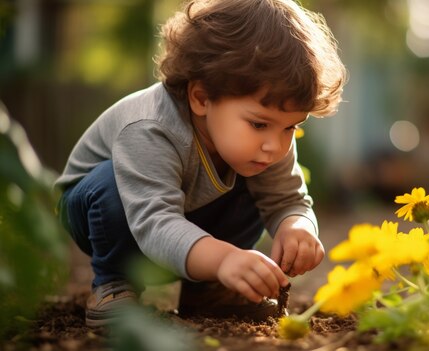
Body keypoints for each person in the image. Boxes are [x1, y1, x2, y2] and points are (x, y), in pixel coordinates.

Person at [55, 0, 346, 327]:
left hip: (184, 211)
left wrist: (297, 226)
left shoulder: (262, 144)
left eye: (291, 127)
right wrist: (224, 259)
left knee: (252, 173)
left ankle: (208, 290)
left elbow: (287, 199)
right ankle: (114, 283)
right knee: (113, 184)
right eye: (259, 124)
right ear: (201, 98)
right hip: (104, 212)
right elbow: (154, 221)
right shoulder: (151, 128)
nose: (275, 145)